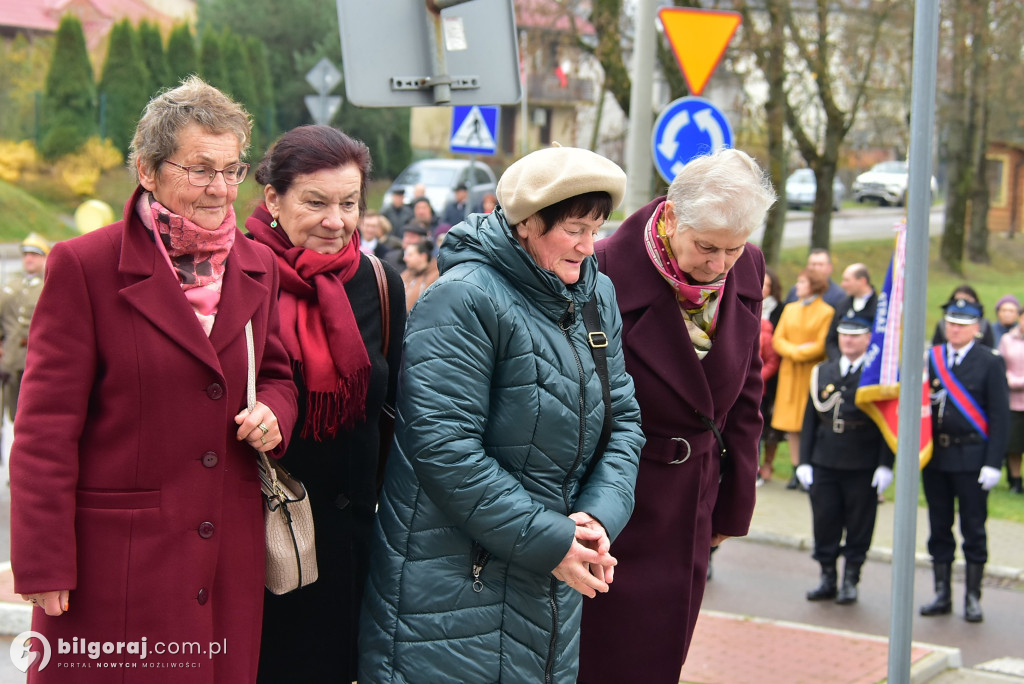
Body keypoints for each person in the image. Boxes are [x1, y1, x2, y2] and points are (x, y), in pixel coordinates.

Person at [9, 76, 298, 681]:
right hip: (118, 563)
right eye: (200, 169)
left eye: (232, 169)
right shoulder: (85, 266)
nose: (220, 188)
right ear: (147, 169)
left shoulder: (257, 264)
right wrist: (43, 562)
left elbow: (274, 374)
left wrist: (275, 411)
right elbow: (44, 430)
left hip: (226, 557)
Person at [359, 146, 645, 683]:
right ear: (528, 223)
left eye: (597, 228)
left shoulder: (594, 294)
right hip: (453, 587)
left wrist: (597, 519)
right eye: (575, 228)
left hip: (549, 575)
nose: (589, 246)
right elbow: (444, 448)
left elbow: (623, 419)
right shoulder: (462, 299)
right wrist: (553, 540)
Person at [578, 147, 775, 683]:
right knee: (604, 660)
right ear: (671, 218)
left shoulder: (747, 265)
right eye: (706, 247)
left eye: (733, 250)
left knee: (663, 657)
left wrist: (734, 506)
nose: (719, 266)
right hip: (613, 502)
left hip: (693, 500)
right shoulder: (602, 273)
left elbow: (747, 395)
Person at [246, 124, 406, 682]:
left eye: (349, 203)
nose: (335, 221)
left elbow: (396, 406)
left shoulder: (379, 282)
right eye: (315, 202)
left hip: (347, 540)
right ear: (273, 198)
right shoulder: (238, 273)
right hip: (260, 533)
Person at [921, 298, 1009, 623]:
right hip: (936, 458)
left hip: (973, 458)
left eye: (961, 324)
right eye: (950, 323)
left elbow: (1000, 417)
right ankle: (942, 594)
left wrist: (993, 463)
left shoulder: (989, 361)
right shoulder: (932, 358)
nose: (954, 329)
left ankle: (973, 597)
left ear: (976, 328)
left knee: (973, 529)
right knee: (939, 528)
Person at [796, 315, 894, 604]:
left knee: (859, 523)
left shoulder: (876, 375)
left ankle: (851, 579)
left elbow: (887, 423)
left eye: (855, 336)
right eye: (843, 335)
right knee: (825, 521)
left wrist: (886, 464)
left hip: (862, 462)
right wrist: (803, 461)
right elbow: (810, 419)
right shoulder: (823, 371)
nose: (848, 341)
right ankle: (827, 576)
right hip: (825, 458)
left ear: (867, 339)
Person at [772, 269, 834, 490]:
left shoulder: (826, 312)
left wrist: (798, 353)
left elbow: (821, 343)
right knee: (791, 426)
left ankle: (810, 466)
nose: (797, 286)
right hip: (790, 372)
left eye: (801, 282)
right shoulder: (789, 309)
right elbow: (778, 338)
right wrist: (795, 351)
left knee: (808, 422)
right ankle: (796, 468)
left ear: (813, 285)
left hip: (810, 373)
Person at [0, 233, 49, 423]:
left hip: (34, 358)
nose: (29, 259)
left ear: (45, 258)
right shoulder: (10, 287)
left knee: (27, 414)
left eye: (35, 255)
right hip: (9, 359)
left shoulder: (48, 285)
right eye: (26, 254)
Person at [759, 266, 784, 483]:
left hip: (764, 383)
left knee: (764, 425)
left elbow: (771, 359)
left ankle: (763, 465)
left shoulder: (773, 318)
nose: (763, 289)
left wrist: (759, 377)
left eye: (768, 285)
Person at [825, 262, 877, 360]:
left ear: (862, 281)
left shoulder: (878, 308)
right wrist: (840, 362)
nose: (843, 285)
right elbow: (831, 339)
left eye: (847, 280)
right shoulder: (842, 305)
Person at [1000, 305, 1024, 494]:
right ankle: (1016, 481)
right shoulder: (1007, 339)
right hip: (1013, 402)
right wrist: (1015, 382)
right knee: (1014, 444)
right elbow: (1000, 365)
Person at [400, 236, 438, 312]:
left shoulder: (437, 276)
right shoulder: (406, 274)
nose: (405, 258)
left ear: (423, 256)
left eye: (410, 255)